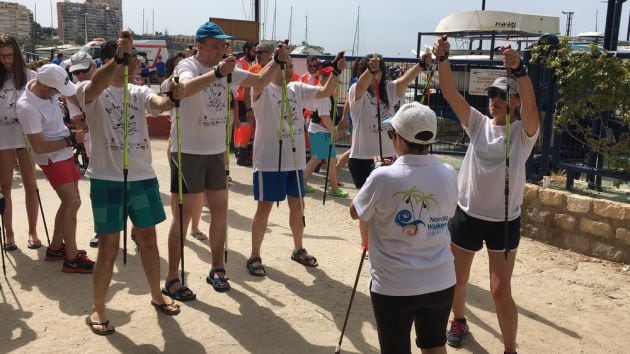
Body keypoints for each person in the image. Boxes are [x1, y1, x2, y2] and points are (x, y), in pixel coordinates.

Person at [163, 21, 289, 298]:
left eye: (223, 45)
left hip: (215, 151)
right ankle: (172, 276)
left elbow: (258, 81)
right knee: (183, 215)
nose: (221, 49)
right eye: (215, 45)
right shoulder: (188, 66)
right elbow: (183, 89)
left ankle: (217, 268)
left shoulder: (228, 69)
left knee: (220, 209)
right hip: (188, 151)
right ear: (199, 45)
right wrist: (218, 73)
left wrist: (277, 63)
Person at [434, 37, 539, 354]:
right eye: (492, 93)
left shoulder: (522, 132)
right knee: (457, 278)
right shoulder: (477, 124)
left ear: (515, 101)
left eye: (502, 95)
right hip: (467, 214)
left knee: (499, 290)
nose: (494, 99)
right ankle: (459, 320)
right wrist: (443, 59)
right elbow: (450, 94)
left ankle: (510, 349)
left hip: (504, 222)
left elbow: (533, 108)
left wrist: (519, 69)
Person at [75, 34, 180, 335]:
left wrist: (173, 94)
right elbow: (95, 86)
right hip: (107, 179)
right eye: (126, 58)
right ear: (109, 61)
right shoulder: (89, 89)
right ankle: (98, 308)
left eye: (133, 59)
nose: (133, 64)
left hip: (142, 177)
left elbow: (159, 104)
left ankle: (157, 295)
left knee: (148, 239)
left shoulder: (139, 91)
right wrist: (117, 58)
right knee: (108, 246)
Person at [350, 102, 458, 354]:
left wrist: (374, 179)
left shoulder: (382, 177)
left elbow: (356, 212)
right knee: (435, 346)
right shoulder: (449, 173)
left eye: (391, 134)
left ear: (399, 138)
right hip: (440, 279)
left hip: (393, 284)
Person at [246, 54, 345, 277]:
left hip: (295, 161)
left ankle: (298, 248)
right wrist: (274, 60)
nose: (288, 69)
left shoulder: (296, 88)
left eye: (290, 66)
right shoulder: (262, 87)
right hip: (269, 162)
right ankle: (254, 255)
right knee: (264, 209)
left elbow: (325, 92)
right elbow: (260, 80)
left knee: (297, 206)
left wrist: (336, 72)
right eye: (284, 65)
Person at [16, 64, 95, 273]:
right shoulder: (27, 107)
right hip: (51, 157)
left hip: (63, 152)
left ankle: (56, 247)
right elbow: (39, 146)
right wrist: (70, 140)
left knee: (71, 202)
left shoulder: (43, 87)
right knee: (73, 201)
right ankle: (71, 256)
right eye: (57, 90)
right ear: (45, 87)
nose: (60, 94)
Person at [348, 52, 431, 189]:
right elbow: (361, 86)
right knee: (368, 206)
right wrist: (370, 70)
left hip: (390, 157)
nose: (376, 76)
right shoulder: (356, 90)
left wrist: (421, 64)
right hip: (362, 158)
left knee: (390, 202)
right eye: (372, 73)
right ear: (363, 73)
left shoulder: (388, 88)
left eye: (379, 72)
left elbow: (405, 79)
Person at [0, 35, 42, 250]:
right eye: (2, 56)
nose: (6, 60)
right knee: (5, 185)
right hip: (2, 134)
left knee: (30, 183)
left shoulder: (30, 76)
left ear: (17, 55)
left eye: (10, 55)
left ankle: (33, 230)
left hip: (26, 133)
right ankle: (9, 233)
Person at [303, 65, 348, 198]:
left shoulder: (324, 94)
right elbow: (324, 117)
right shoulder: (324, 97)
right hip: (321, 132)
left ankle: (301, 182)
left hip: (319, 132)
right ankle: (334, 187)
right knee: (330, 160)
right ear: (324, 79)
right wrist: (334, 131)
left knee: (317, 159)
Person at [233, 41, 257, 167]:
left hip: (245, 99)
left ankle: (240, 152)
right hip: (241, 99)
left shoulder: (250, 63)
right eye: (254, 51)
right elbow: (238, 82)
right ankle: (241, 154)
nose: (255, 54)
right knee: (245, 127)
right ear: (247, 50)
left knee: (243, 128)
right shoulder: (240, 63)